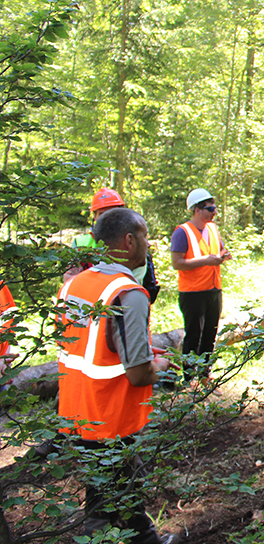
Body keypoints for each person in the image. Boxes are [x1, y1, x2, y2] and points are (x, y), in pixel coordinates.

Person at [55, 207, 176, 544]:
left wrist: (141, 349)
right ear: (128, 240)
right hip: (111, 415)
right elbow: (138, 375)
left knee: (107, 491)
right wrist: (162, 365)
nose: (149, 245)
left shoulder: (74, 285)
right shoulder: (128, 294)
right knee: (116, 493)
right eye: (146, 237)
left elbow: (88, 344)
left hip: (77, 411)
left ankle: (146, 538)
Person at [170, 188, 230, 384]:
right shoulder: (182, 232)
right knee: (193, 336)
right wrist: (206, 260)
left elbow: (220, 248)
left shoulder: (213, 228)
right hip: (192, 293)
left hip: (213, 290)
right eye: (210, 208)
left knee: (210, 335)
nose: (214, 212)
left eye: (215, 208)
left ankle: (205, 375)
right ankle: (189, 379)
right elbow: (177, 263)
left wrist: (223, 255)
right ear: (197, 209)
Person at [65, 188, 161, 305]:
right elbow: (70, 281)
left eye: (113, 213)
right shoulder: (80, 244)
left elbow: (131, 284)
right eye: (102, 214)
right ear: (94, 217)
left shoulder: (133, 245)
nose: (108, 218)